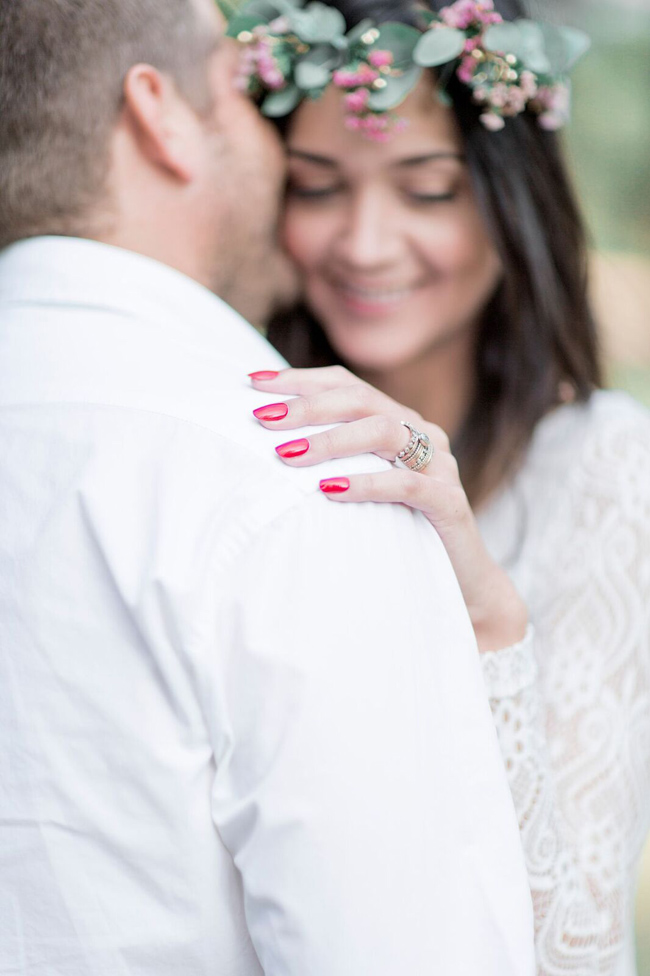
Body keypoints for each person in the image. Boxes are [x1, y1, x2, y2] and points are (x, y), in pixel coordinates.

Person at [0, 1, 536, 974]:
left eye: (423, 189)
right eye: (244, 95)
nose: (362, 242)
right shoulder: (308, 464)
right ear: (160, 113)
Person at [232, 0, 650, 973]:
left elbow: (577, 951)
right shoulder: (231, 443)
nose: (365, 243)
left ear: (508, 210)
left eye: (425, 191)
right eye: (315, 186)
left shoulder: (603, 471)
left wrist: (486, 611)